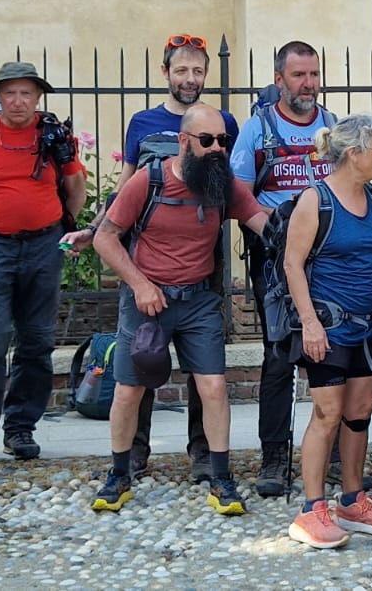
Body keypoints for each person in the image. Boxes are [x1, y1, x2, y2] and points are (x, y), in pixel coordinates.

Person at [87, 105, 270, 515]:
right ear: (185, 142)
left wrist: (316, 214)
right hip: (146, 300)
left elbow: (263, 222)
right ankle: (119, 474)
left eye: (223, 141)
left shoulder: (222, 184)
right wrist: (139, 284)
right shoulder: (147, 181)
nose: (218, 148)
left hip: (199, 301)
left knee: (214, 388)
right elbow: (105, 238)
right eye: (208, 141)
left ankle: (221, 478)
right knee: (129, 389)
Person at [94, 33, 239, 481]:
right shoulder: (143, 121)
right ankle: (134, 453)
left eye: (198, 71)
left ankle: (203, 453)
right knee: (143, 360)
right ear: (166, 74)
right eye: (182, 70)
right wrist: (97, 226)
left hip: (202, 257)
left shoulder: (222, 121)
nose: (190, 78)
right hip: (149, 256)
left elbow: (233, 183)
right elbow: (127, 181)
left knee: (206, 373)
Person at [283, 114, 372, 549]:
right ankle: (311, 510)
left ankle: (352, 499)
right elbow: (293, 263)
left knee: (358, 415)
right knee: (326, 414)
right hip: (328, 325)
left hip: (367, 325)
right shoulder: (315, 200)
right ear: (354, 153)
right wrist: (308, 322)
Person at [228, 40, 346, 498]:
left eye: (313, 75)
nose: (308, 84)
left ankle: (336, 454)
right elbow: (238, 193)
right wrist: (270, 232)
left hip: (329, 256)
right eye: (298, 76)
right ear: (279, 80)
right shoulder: (258, 129)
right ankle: (275, 457)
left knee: (336, 351)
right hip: (276, 259)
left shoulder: (334, 128)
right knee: (280, 355)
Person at [0, 62, 86, 467]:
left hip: (45, 244)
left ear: (37, 97)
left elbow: (75, 185)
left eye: (25, 93)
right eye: (9, 92)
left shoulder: (54, 136)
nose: (17, 101)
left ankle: (20, 428)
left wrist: (63, 228)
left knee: (36, 341)